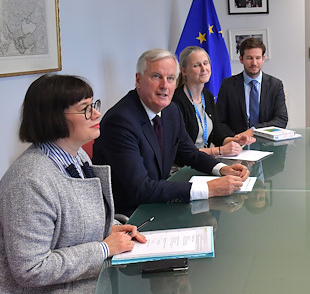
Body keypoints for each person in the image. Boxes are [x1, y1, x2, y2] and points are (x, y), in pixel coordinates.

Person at [0, 75, 147, 294]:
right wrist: (105, 249)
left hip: (75, 287)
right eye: (86, 109)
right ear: (53, 117)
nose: (97, 113)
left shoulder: (77, 156)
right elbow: (31, 269)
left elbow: (78, 217)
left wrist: (111, 228)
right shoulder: (30, 180)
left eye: (94, 104)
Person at [93, 49, 249, 217]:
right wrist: (209, 188)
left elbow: (189, 153)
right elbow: (140, 189)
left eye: (170, 79)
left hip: (159, 204)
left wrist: (222, 169)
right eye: (156, 77)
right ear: (138, 80)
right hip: (133, 216)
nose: (164, 86)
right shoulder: (121, 121)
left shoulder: (170, 111)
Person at [172, 46, 255, 158]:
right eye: (197, 65)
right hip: (183, 166)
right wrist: (219, 150)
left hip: (204, 161)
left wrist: (235, 141)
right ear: (184, 70)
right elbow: (181, 149)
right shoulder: (176, 101)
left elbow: (216, 134)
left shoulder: (207, 95)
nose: (203, 68)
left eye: (205, 63)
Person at [214, 37, 288, 140]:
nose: (254, 63)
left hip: (267, 143)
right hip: (236, 144)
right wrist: (235, 138)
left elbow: (281, 119)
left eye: (258, 58)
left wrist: (254, 130)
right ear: (241, 59)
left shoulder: (275, 85)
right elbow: (219, 120)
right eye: (249, 58)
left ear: (263, 59)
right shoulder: (228, 85)